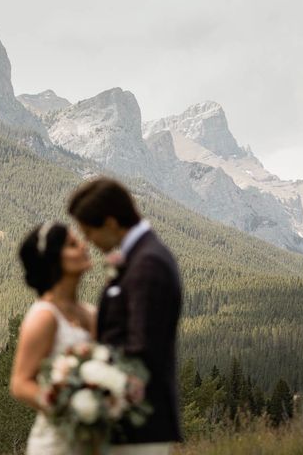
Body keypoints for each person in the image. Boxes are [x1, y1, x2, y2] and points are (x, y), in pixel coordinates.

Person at [68, 177, 183, 455]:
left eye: (88, 231)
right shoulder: (139, 258)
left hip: (140, 421)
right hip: (129, 418)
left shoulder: (148, 263)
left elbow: (143, 347)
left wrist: (90, 376)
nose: (87, 242)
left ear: (110, 223)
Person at [10, 222, 96, 455]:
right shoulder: (44, 316)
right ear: (53, 260)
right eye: (72, 244)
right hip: (56, 443)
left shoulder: (90, 313)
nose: (84, 246)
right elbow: (20, 383)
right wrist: (66, 407)